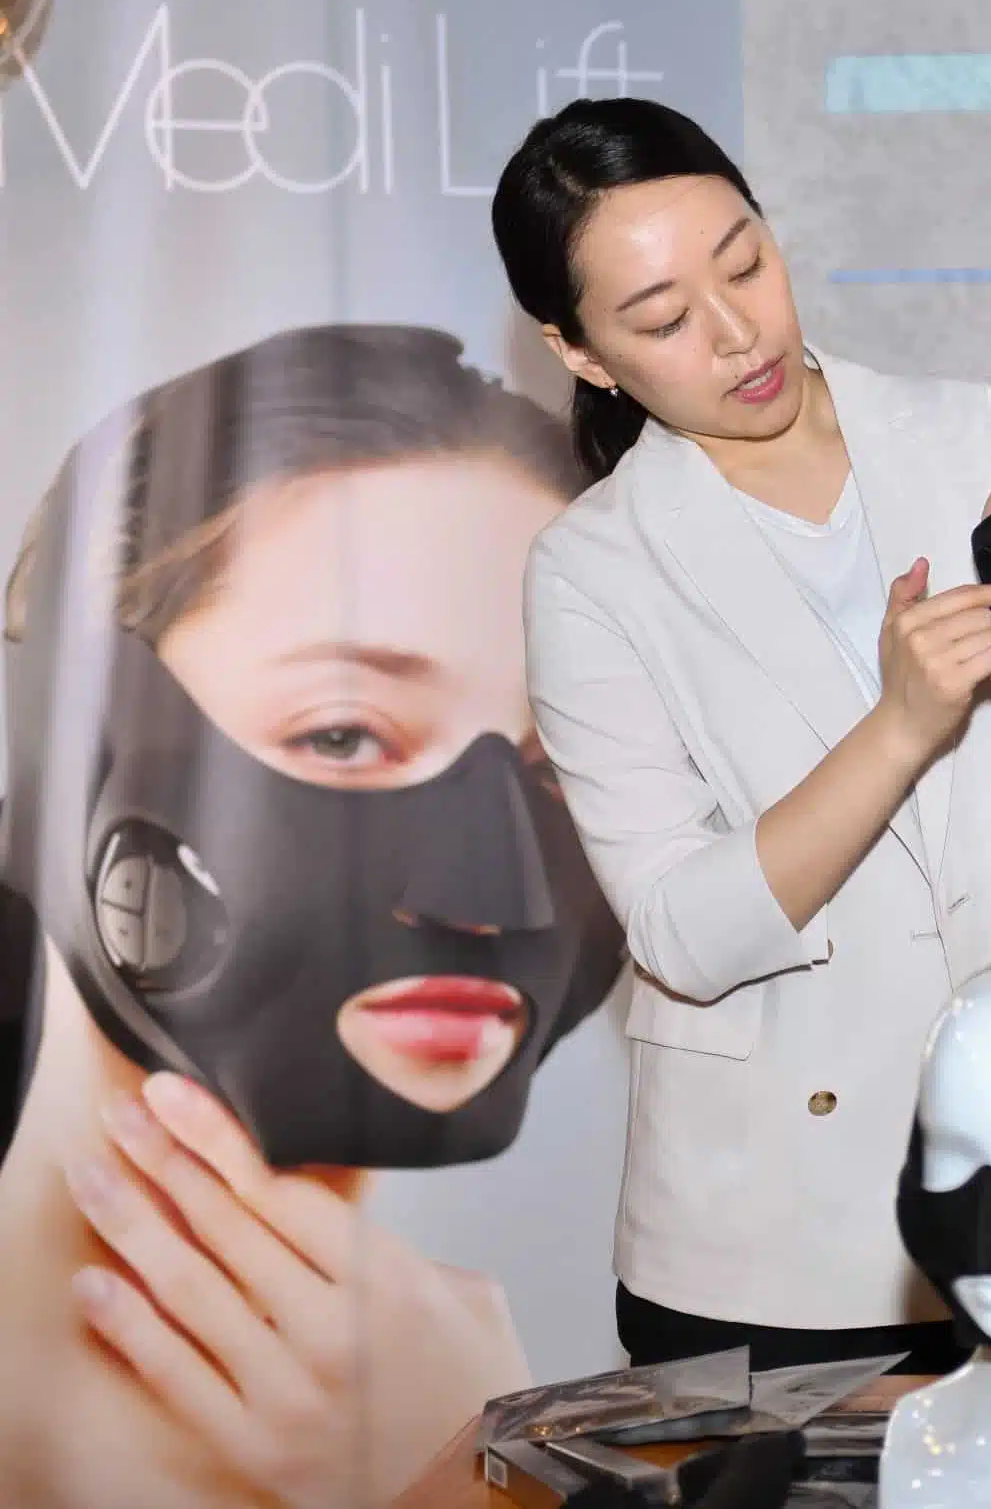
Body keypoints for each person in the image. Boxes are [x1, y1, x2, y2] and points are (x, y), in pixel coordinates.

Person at [492, 97, 991, 1375]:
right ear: (582, 354)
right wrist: (901, 726)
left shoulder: (981, 437)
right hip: (768, 1245)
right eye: (660, 319)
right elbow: (680, 934)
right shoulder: (590, 570)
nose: (736, 331)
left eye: (745, 263)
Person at [0, 325, 627, 1509]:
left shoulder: (497, 1389)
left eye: (559, 767)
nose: (492, 898)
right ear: (65, 749)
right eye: (343, 733)